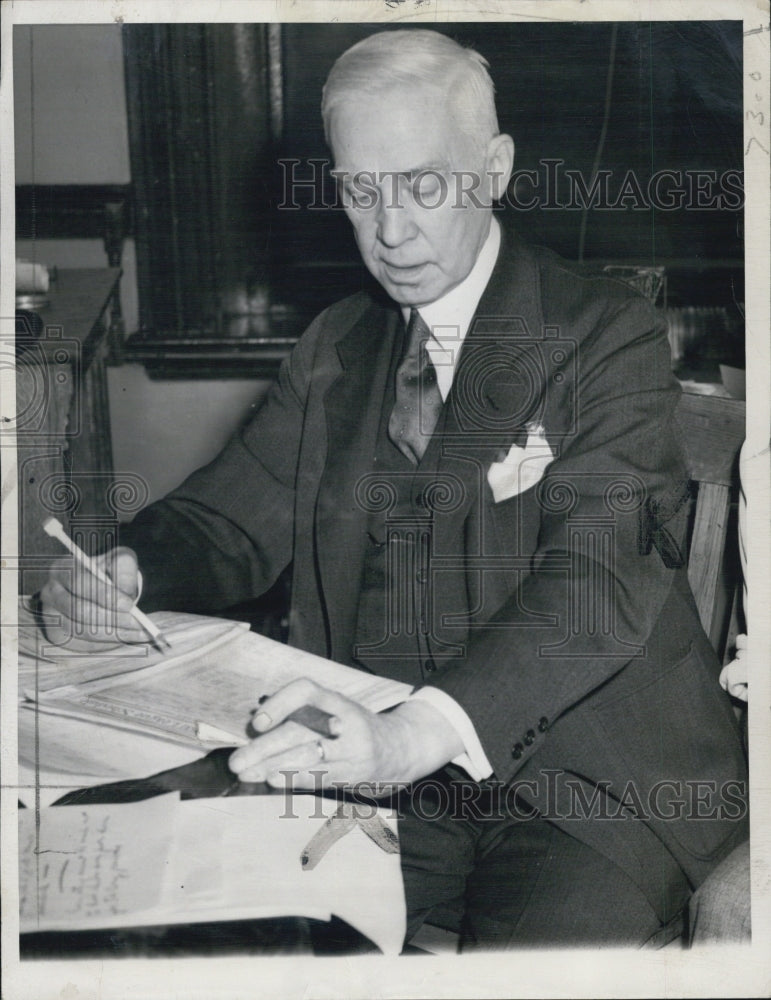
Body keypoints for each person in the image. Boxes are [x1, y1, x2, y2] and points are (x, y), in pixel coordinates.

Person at [41, 29, 748, 949]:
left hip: (589, 788)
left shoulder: (603, 333)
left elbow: (596, 583)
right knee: (179, 909)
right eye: (360, 190)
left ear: (494, 169)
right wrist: (130, 570)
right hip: (380, 775)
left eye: (423, 185)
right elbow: (227, 519)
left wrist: (417, 733)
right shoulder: (337, 345)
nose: (391, 230)